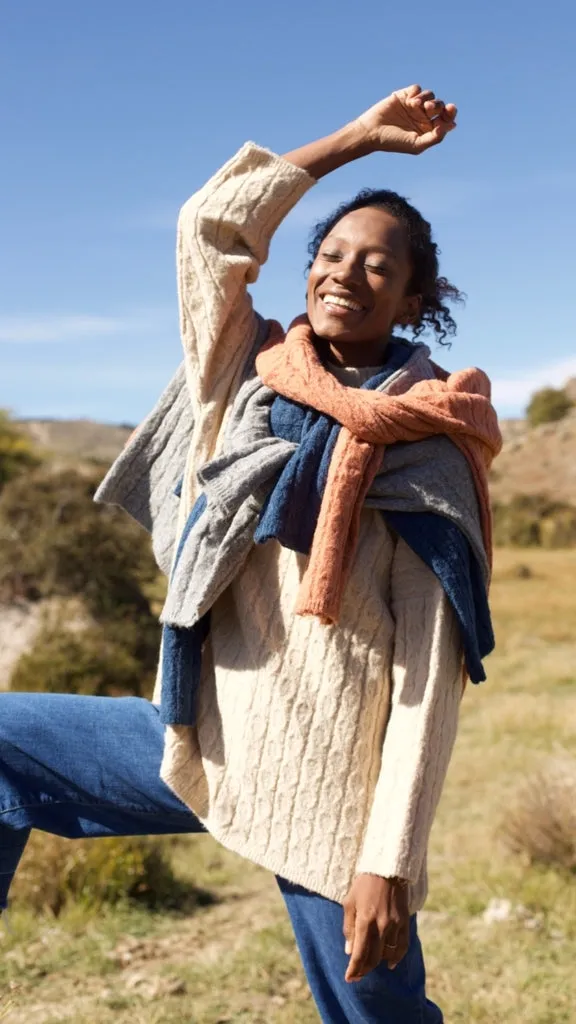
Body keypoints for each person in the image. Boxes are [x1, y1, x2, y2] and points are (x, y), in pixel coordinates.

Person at [0, 85, 502, 1023]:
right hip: (201, 734)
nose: (345, 274)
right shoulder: (250, 374)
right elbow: (207, 228)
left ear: (415, 297)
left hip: (329, 792)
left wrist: (384, 861)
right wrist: (358, 140)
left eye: (378, 266)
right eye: (332, 252)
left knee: (376, 1018)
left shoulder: (429, 445)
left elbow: (428, 679)